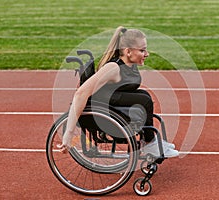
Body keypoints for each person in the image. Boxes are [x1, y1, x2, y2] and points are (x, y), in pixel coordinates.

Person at [58, 26, 179, 158]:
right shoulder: (113, 68)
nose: (147, 54)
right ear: (128, 52)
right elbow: (81, 93)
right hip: (99, 111)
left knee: (144, 95)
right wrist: (68, 134)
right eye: (142, 50)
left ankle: (149, 141)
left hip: (111, 103)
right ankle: (149, 144)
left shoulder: (129, 65)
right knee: (144, 99)